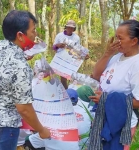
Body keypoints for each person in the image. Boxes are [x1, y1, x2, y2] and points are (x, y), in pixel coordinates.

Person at [0, 10, 50, 150]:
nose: (35, 35)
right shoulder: (21, 66)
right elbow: (24, 109)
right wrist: (41, 130)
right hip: (2, 128)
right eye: (33, 31)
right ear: (20, 36)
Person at [89, 20, 139, 149]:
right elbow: (96, 75)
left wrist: (106, 100)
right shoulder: (117, 57)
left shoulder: (136, 64)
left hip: (120, 123)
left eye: (120, 38)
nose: (116, 41)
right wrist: (107, 54)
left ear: (134, 41)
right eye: (116, 37)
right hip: (103, 116)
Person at [52, 20, 81, 89]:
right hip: (61, 59)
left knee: (70, 77)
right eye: (69, 27)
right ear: (66, 27)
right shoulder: (59, 36)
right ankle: (65, 92)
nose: (70, 29)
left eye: (72, 28)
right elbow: (53, 47)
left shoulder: (76, 38)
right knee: (63, 78)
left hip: (71, 59)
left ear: (74, 29)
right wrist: (58, 45)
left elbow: (78, 50)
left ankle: (67, 92)